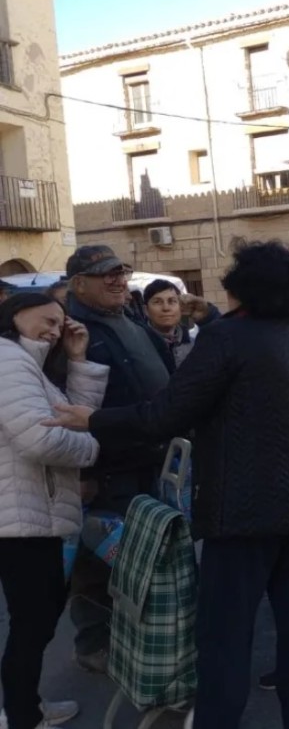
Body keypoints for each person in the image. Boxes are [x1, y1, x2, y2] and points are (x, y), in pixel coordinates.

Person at [47, 241, 289, 729]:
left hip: (244, 508)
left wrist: (94, 418)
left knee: (224, 633)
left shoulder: (228, 337)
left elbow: (166, 414)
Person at [63, 245, 176, 673]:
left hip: (148, 456)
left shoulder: (126, 320)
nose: (116, 279)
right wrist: (84, 470)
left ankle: (135, 636)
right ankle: (94, 641)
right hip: (108, 465)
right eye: (103, 274)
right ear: (79, 284)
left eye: (120, 271)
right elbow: (67, 402)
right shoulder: (75, 330)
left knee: (139, 555)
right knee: (100, 557)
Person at [0, 293, 108, 729]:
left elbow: (68, 416)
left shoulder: (28, 364)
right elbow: (41, 439)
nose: (55, 328)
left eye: (59, 323)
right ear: (13, 315)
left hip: (29, 514)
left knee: (38, 620)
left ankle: (26, 707)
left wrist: (78, 360)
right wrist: (94, 447)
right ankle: (23, 716)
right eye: (46, 319)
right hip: (19, 518)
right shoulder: (8, 360)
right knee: (33, 624)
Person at [142, 279, 220, 367]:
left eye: (172, 301)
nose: (166, 308)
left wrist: (207, 317)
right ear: (146, 310)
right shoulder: (138, 345)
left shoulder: (194, 345)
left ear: (181, 307)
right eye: (157, 302)